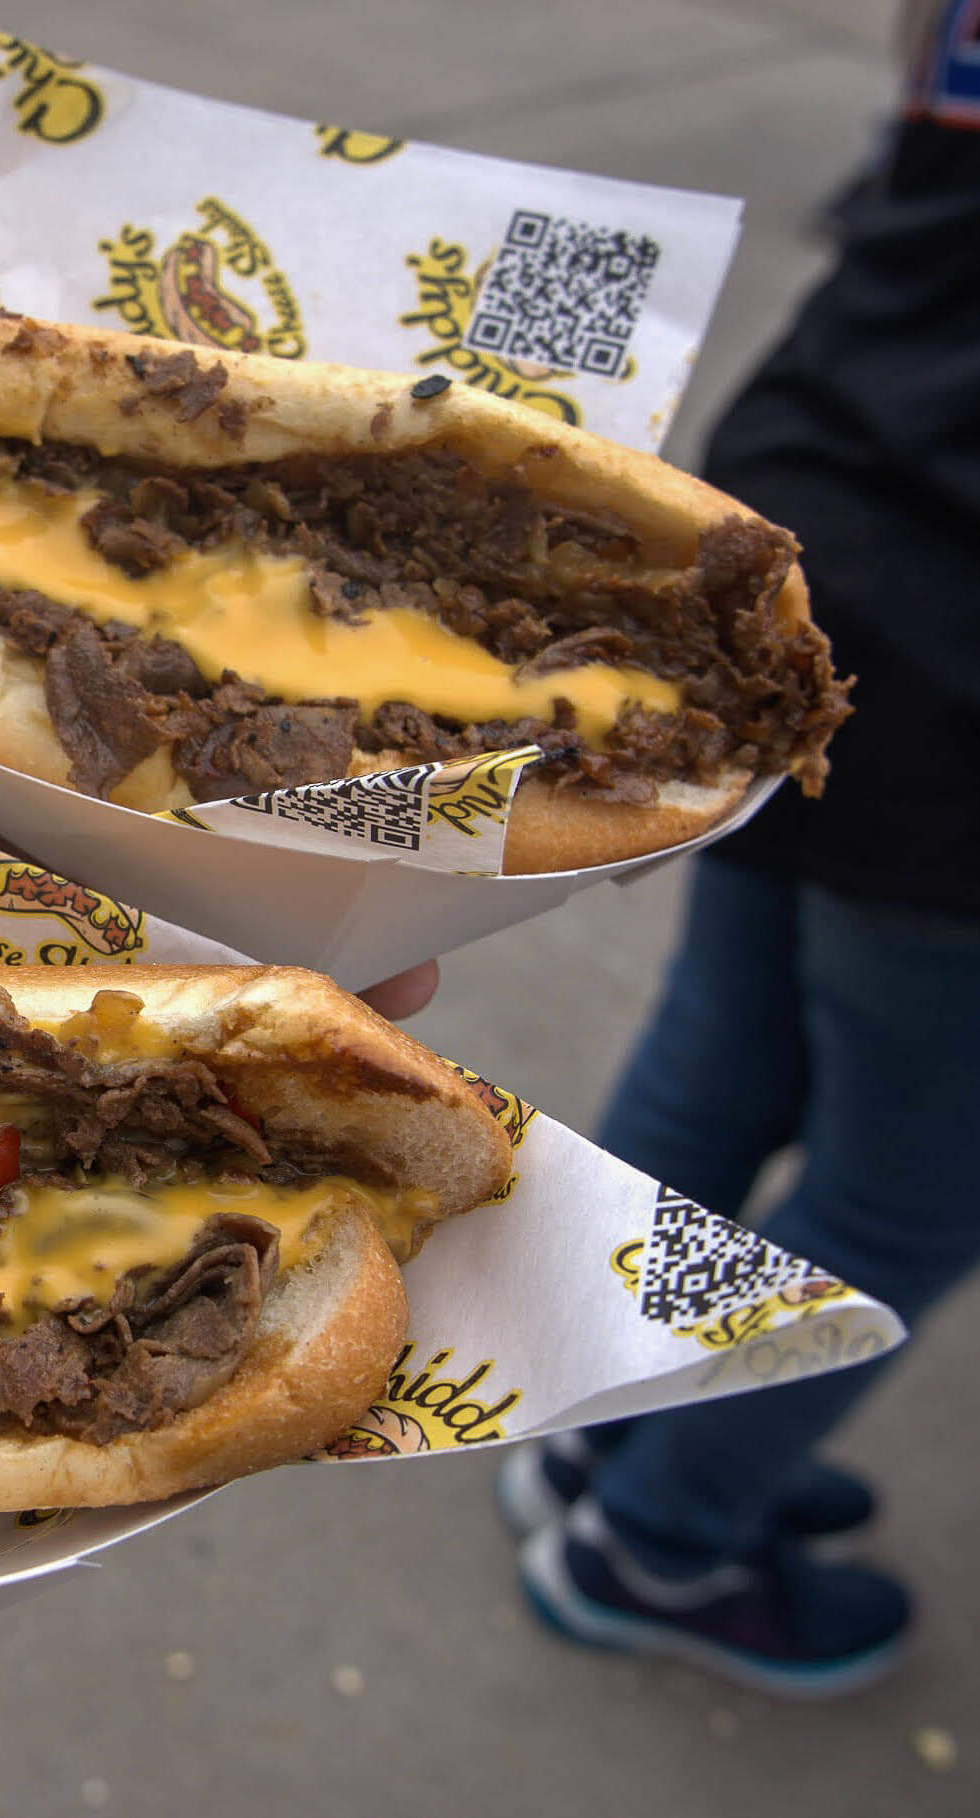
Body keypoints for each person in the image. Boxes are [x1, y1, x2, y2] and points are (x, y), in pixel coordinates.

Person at [504, 0, 980, 1697]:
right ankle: (664, 1535)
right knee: (910, 1190)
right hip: (959, 643)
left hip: (812, 526)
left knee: (728, 1056)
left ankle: (593, 1428)